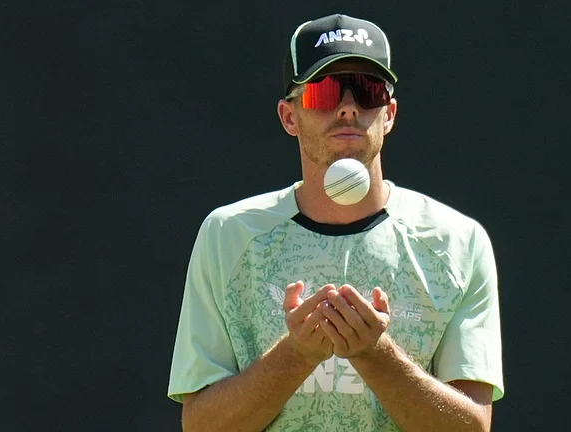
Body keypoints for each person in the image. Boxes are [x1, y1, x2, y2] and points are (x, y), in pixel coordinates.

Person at [168, 13, 504, 432]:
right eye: (324, 92)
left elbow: (473, 427)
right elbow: (201, 426)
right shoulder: (228, 235)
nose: (348, 107)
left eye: (367, 90)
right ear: (289, 116)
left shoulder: (457, 242)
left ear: (389, 113)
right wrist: (297, 354)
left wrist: (375, 354)